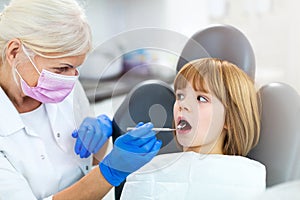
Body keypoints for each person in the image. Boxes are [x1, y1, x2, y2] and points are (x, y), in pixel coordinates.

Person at [0, 0, 161, 199]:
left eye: (76, 68)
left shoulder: (66, 85)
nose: (71, 78)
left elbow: (90, 162)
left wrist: (102, 142)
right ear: (14, 51)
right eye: (61, 68)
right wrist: (110, 172)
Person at [120, 58, 266, 199]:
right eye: (181, 96)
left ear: (230, 119)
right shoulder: (146, 171)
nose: (183, 105)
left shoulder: (248, 177)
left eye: (201, 98)